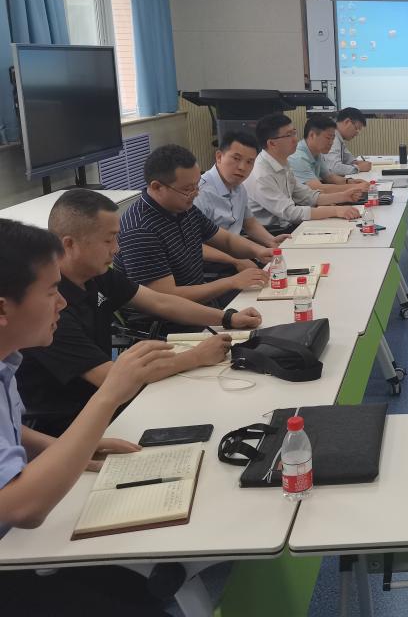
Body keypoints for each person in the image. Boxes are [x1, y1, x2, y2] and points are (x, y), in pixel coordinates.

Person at [0, 218, 177, 615]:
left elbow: (12, 433)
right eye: (51, 292)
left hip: (18, 548)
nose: (61, 303)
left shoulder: (7, 361)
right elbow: (21, 508)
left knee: (141, 586)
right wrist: (109, 396)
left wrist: (68, 448)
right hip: (12, 557)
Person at [18, 189, 262, 436]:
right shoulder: (50, 308)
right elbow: (110, 378)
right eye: (108, 240)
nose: (117, 249)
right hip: (70, 426)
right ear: (69, 244)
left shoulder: (95, 275)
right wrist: (196, 357)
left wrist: (227, 317)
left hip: (111, 405)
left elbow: (160, 302)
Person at [115, 145, 273, 305]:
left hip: (198, 300)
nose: (196, 193)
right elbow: (166, 300)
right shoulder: (140, 231)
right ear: (157, 187)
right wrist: (232, 282)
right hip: (170, 315)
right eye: (188, 189)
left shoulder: (184, 208)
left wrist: (259, 251)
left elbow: (226, 240)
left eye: (197, 185)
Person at [195, 130, 291, 274]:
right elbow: (194, 245)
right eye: (236, 158)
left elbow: (249, 223)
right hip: (211, 264)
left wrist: (270, 241)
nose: (242, 167)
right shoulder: (199, 192)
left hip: (237, 255)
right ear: (219, 157)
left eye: (249, 162)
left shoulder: (239, 187)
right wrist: (235, 260)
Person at [245, 113, 361, 231]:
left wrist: (343, 196)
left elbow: (306, 195)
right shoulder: (261, 174)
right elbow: (290, 213)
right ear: (272, 143)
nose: (295, 139)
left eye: (294, 132)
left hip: (287, 225)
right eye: (289, 135)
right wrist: (335, 211)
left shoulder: (282, 162)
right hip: (272, 232)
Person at [289, 113, 369, 195]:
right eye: (328, 138)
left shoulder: (316, 152)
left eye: (333, 138)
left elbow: (329, 177)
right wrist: (355, 187)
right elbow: (318, 188)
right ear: (312, 135)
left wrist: (349, 181)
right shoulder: (298, 158)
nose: (331, 143)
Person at [325, 107, 372, 175]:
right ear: (347, 122)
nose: (357, 133)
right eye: (356, 128)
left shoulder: (339, 137)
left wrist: (355, 162)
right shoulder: (332, 137)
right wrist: (358, 168)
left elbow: (347, 158)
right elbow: (333, 168)